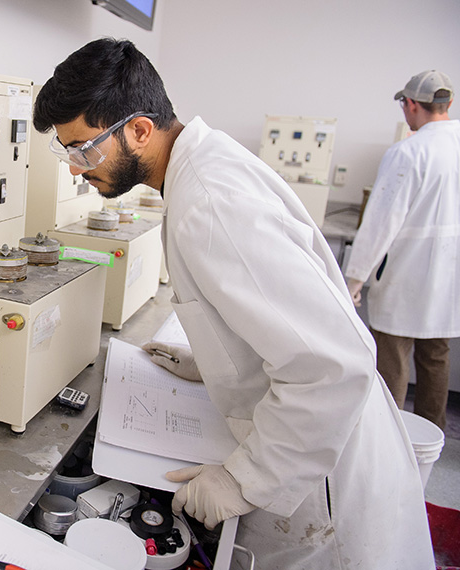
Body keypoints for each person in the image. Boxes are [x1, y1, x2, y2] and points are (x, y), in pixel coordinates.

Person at [33, 38, 434, 568]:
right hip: (311, 442)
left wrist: (245, 479)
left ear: (140, 130)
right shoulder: (203, 167)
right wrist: (217, 361)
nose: (75, 168)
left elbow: (334, 365)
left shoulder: (212, 204)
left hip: (321, 477)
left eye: (84, 149)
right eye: (68, 152)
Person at [345, 70, 459, 431]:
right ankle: (430, 435)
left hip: (407, 275)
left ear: (410, 104)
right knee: (436, 357)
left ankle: (388, 435)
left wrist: (354, 280)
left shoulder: (409, 152)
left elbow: (381, 223)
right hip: (449, 277)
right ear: (448, 103)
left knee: (393, 358)